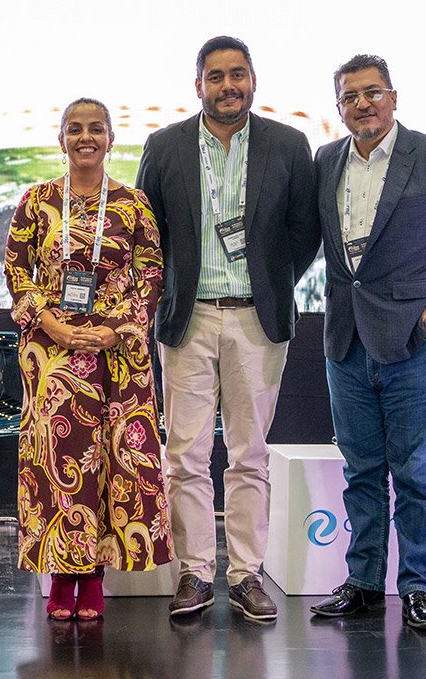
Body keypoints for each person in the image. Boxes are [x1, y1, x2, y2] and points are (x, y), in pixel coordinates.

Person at [135, 36, 318, 621]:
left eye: (237, 74)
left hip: (257, 320)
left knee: (249, 454)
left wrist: (271, 281)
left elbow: (305, 231)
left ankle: (245, 574)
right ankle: (194, 572)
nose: (228, 86)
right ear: (198, 86)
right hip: (189, 318)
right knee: (185, 453)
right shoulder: (165, 146)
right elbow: (147, 232)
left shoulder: (288, 144)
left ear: (253, 80)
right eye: (215, 77)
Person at [309, 54, 426, 631]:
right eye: (350, 96)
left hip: (415, 340)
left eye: (372, 92)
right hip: (346, 338)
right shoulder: (326, 160)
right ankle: (362, 582)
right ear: (339, 107)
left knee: (415, 474)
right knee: (360, 471)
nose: (362, 103)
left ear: (393, 97)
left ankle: (417, 587)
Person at [5, 97, 173, 621]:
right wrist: (49, 322)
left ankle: (95, 575)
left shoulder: (133, 204)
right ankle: (62, 574)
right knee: (59, 461)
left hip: (117, 355)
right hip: (52, 352)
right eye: (74, 129)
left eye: (95, 128)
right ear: (61, 139)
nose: (85, 137)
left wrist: (115, 328)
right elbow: (17, 269)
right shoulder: (36, 201)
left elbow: (151, 272)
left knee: (113, 461)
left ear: (110, 139)